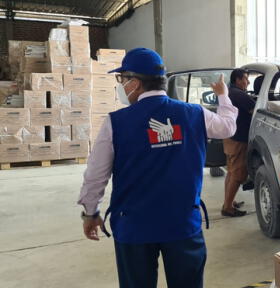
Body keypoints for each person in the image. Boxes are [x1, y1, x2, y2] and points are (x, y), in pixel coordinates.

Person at [77, 48, 238, 288]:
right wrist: (223, 97)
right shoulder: (194, 113)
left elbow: (95, 175)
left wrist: (91, 212)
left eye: (122, 79)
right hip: (182, 224)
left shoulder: (116, 123)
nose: (121, 85)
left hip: (134, 227)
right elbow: (227, 128)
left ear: (136, 83)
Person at [222, 68, 256, 217]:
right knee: (238, 174)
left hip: (230, 137)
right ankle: (228, 208)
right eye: (245, 79)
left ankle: (228, 202)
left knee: (230, 171)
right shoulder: (239, 94)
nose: (248, 82)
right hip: (239, 140)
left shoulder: (229, 92)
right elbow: (256, 109)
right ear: (237, 80)